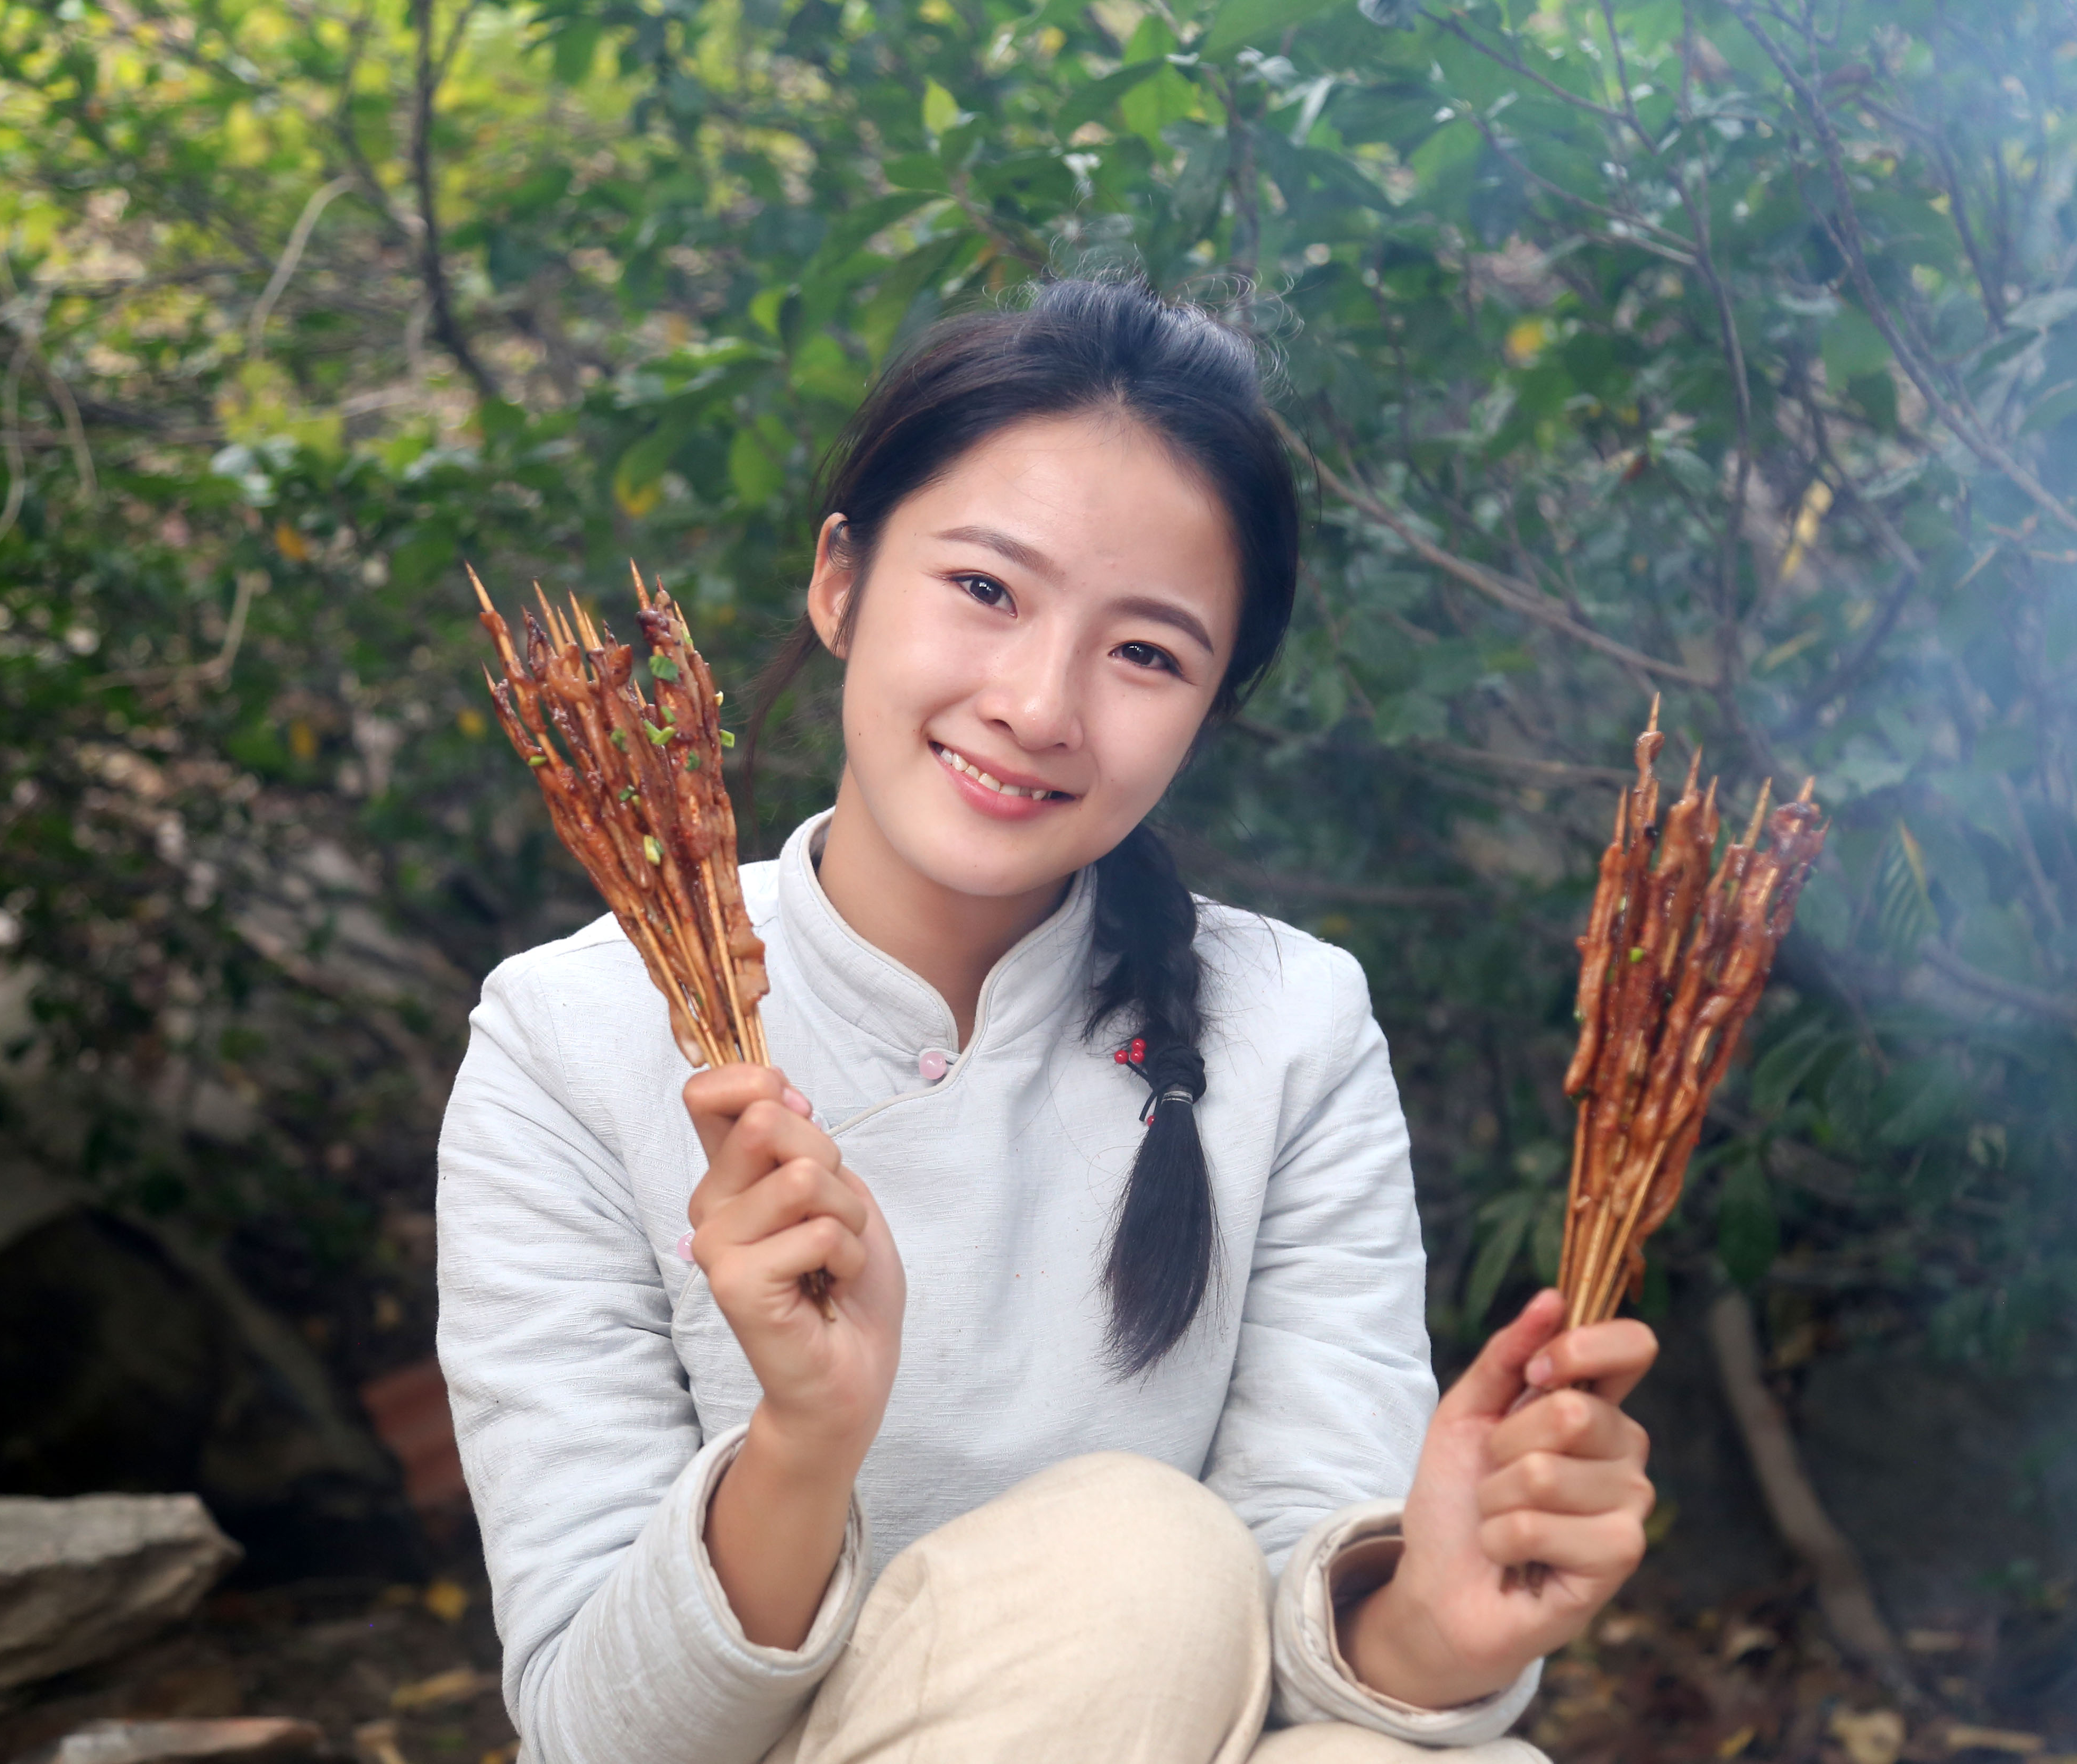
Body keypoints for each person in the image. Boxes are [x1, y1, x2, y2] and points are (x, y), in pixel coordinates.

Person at [436, 277, 1659, 1764]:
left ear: (1209, 710)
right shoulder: (572, 1036)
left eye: (1146, 653)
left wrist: (1436, 1625)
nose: (1039, 703)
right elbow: (595, 1732)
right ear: (841, 583)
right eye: (986, 590)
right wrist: (807, 1443)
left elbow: (1296, 1651)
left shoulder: (1288, 1025)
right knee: (1138, 1557)